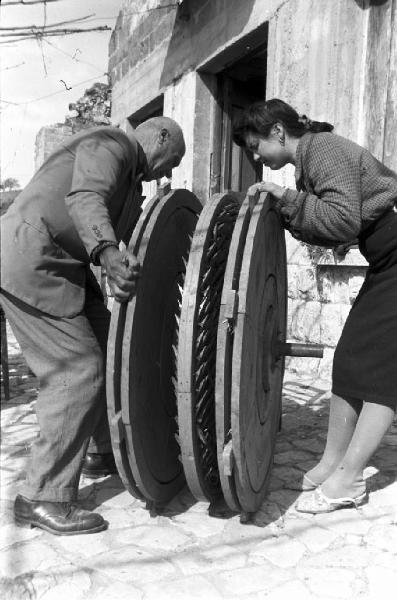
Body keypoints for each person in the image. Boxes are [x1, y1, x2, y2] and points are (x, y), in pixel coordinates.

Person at [0, 116, 186, 534]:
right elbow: (85, 198)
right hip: (32, 256)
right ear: (159, 138)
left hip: (62, 264)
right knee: (78, 370)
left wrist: (121, 268)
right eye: (173, 159)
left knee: (111, 345)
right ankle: (41, 496)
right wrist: (108, 254)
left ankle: (100, 451)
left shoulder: (132, 183)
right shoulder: (113, 144)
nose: (169, 172)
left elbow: (125, 236)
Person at [233, 98, 397, 514]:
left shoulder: (321, 149)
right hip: (388, 259)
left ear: (277, 132)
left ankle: (350, 479)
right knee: (349, 359)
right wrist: (286, 207)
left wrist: (287, 198)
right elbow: (334, 225)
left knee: (381, 369)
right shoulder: (311, 159)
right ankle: (330, 463)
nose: (255, 156)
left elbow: (342, 220)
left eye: (255, 146)